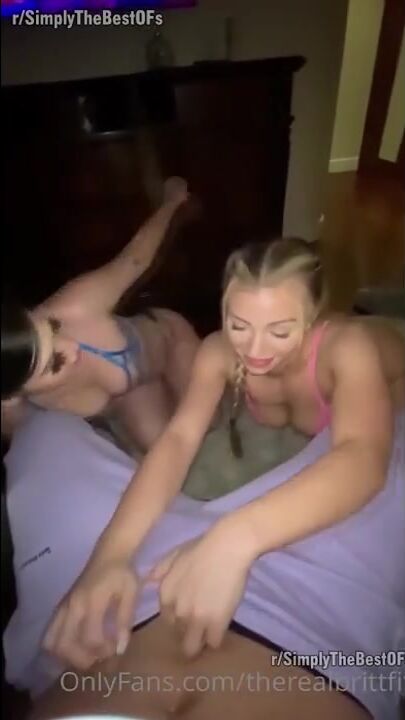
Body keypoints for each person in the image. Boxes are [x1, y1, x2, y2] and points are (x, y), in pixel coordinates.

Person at [40, 239, 404, 665]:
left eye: (280, 331)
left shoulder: (347, 348)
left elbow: (363, 457)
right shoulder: (219, 352)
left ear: (313, 316)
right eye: (239, 324)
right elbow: (177, 441)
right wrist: (109, 557)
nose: (255, 350)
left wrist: (233, 539)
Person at [1, 176, 200, 452]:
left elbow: (137, 258)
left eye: (53, 327)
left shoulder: (76, 306)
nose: (71, 346)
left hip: (171, 343)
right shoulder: (12, 409)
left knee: (207, 427)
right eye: (55, 363)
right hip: (131, 393)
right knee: (160, 453)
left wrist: (171, 202)